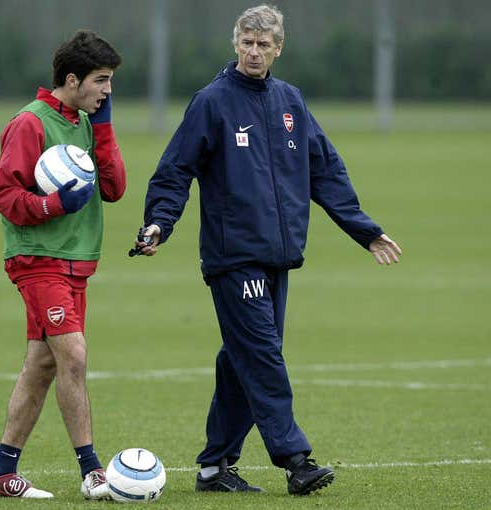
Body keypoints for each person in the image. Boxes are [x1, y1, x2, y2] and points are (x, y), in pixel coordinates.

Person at [134, 4, 402, 496]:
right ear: (236, 44)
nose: (254, 52)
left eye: (263, 44)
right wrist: (158, 223)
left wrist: (363, 229)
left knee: (243, 358)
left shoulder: (290, 102)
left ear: (279, 48)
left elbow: (326, 171)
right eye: (247, 43)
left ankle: (215, 468)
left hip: (278, 256)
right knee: (261, 354)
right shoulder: (211, 102)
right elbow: (175, 170)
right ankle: (296, 460)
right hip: (234, 256)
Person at [0, 30, 126, 500]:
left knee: (42, 364)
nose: (107, 90)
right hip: (39, 261)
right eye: (101, 81)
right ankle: (93, 472)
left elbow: (114, 188)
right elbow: (5, 194)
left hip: (75, 263)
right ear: (72, 78)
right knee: (74, 356)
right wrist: (53, 205)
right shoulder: (30, 123)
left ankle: (2, 473)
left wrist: (103, 127)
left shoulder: (87, 123)